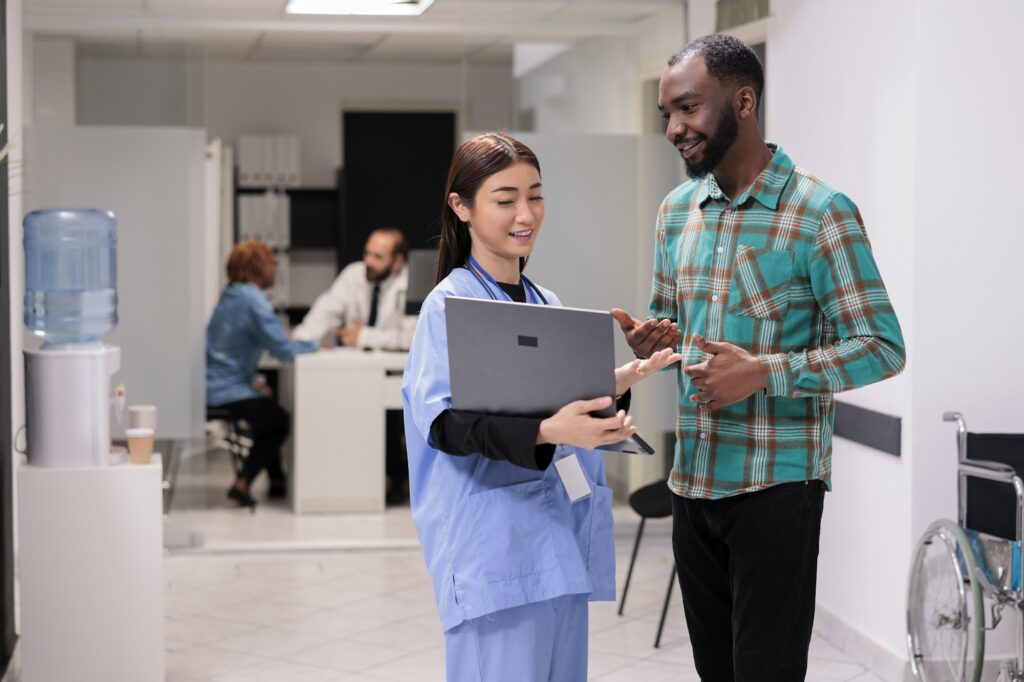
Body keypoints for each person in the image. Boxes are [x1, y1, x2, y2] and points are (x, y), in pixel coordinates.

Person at [611, 35, 907, 681]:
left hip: (777, 489)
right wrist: (655, 343)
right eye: (666, 114)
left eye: (688, 108)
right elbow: (676, 324)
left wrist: (765, 372)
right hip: (693, 480)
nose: (674, 128)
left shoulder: (820, 214)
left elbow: (883, 347)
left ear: (743, 101)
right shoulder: (676, 213)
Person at [402, 132, 679, 682]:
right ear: (462, 208)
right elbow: (446, 425)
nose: (525, 214)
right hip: (494, 554)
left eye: (535, 195)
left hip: (558, 545)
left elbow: (559, 406)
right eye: (505, 200)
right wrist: (548, 429)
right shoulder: (449, 306)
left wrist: (616, 383)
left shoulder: (546, 303)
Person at [206, 241, 319, 507]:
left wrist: (251, 382)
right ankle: (242, 483)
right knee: (278, 421)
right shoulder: (252, 300)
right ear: (258, 267)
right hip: (224, 389)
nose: (275, 268)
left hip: (217, 383)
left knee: (269, 409)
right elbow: (282, 349)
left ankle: (278, 482)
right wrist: (315, 344)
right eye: (271, 262)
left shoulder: (232, 293)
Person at [291, 227, 414, 350]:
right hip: (355, 361)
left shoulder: (412, 283)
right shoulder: (354, 273)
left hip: (393, 365)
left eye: (377, 257)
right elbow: (327, 309)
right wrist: (302, 337)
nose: (368, 261)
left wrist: (365, 337)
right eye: (367, 253)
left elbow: (411, 338)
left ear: (397, 262)